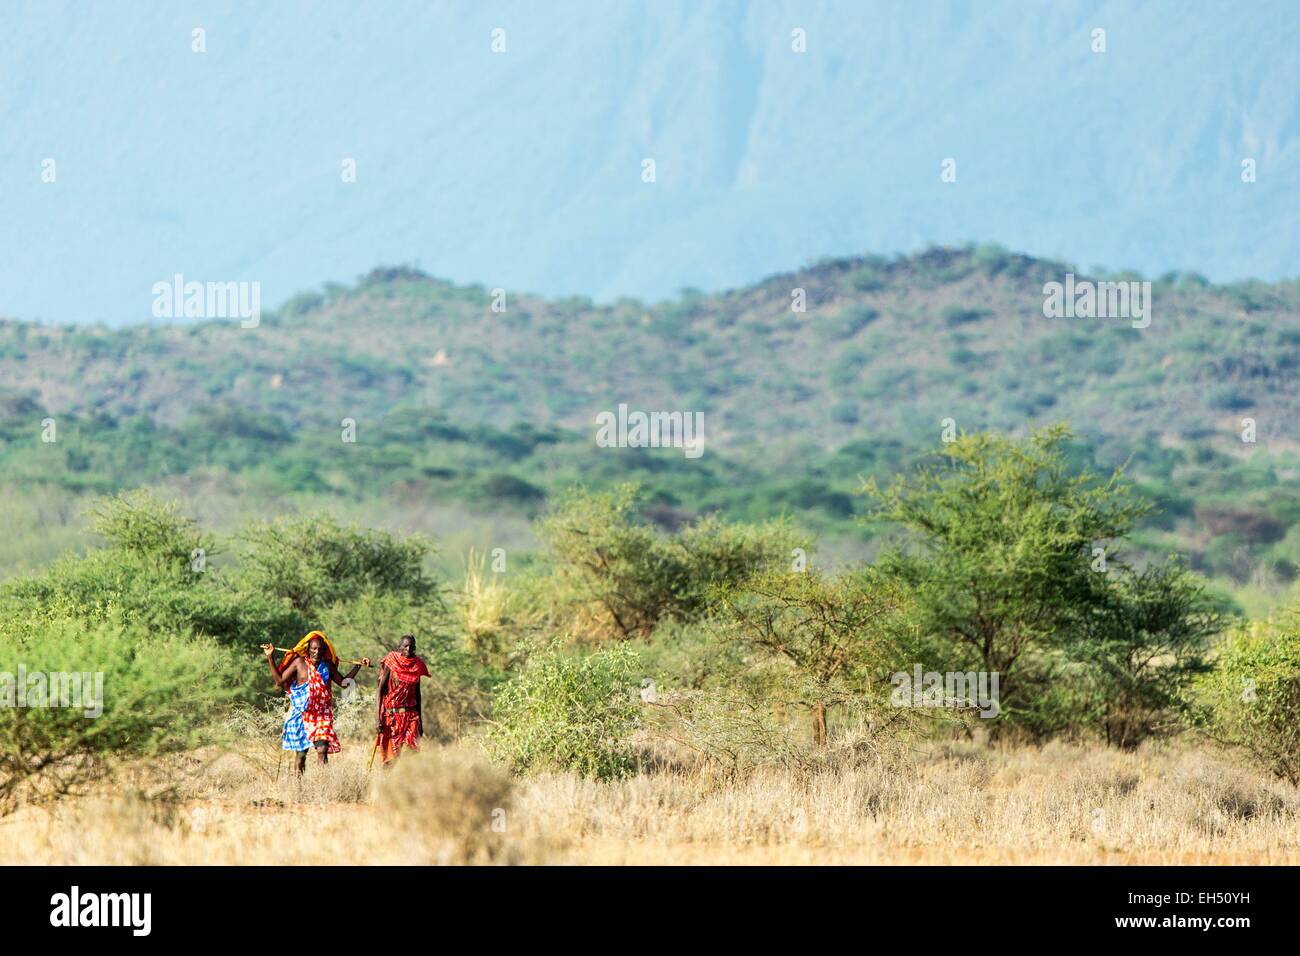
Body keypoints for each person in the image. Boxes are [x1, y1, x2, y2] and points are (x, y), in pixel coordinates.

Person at [262, 631, 369, 776]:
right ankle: (298, 789)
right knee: (301, 756)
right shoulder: (299, 663)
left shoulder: (328, 666)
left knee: (322, 750)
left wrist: (358, 666)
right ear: (308, 649)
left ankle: (321, 785)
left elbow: (344, 683)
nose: (316, 652)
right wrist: (270, 656)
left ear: (324, 651)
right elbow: (279, 681)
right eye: (313, 649)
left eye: (320, 649)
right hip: (301, 714)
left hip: (320, 715)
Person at [374, 634, 431, 764]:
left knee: (412, 753)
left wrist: (420, 722)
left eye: (411, 646)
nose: (408, 649)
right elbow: (380, 691)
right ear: (399, 648)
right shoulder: (392, 661)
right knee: (391, 760)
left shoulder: (417, 665)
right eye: (405, 646)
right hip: (392, 716)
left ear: (415, 648)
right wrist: (377, 718)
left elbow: (417, 694)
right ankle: (389, 783)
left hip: (411, 715)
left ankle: (407, 781)